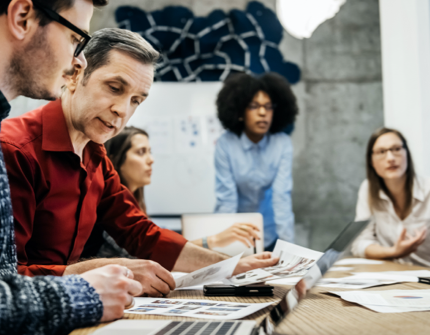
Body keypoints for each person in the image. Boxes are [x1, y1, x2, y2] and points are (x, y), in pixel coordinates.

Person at [1, 28, 279, 296]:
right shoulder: (14, 149)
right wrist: (104, 270)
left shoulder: (96, 156)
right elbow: (8, 283)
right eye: (114, 88)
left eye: (136, 100)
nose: (122, 110)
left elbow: (141, 233)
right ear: (75, 75)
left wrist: (231, 266)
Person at [0, 1, 142, 334]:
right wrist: (86, 291)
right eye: (75, 38)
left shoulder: (95, 155)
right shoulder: (14, 144)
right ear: (22, 17)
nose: (77, 60)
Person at [83, 126, 261, 258]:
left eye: (150, 152)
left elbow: (156, 241)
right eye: (141, 152)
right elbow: (145, 254)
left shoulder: (135, 204)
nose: (151, 160)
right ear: (114, 159)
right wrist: (211, 242)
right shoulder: (110, 208)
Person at [214, 72, 298, 251]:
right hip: (235, 234)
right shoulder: (225, 144)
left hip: (270, 233)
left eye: (268, 107)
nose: (262, 113)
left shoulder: (282, 143)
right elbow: (226, 200)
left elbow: (282, 196)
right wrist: (219, 248)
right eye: (254, 106)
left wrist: (289, 249)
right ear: (240, 112)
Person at [351, 127, 429, 266]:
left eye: (396, 149)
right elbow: (359, 243)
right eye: (381, 152)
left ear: (407, 153)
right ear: (371, 161)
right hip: (392, 276)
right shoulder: (368, 189)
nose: (391, 158)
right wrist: (394, 252)